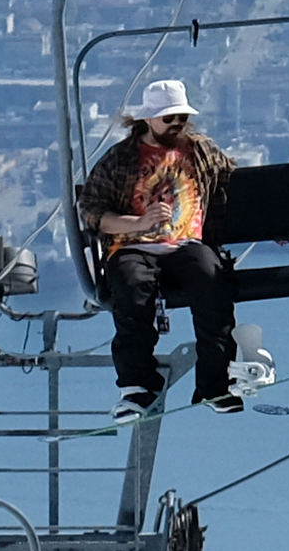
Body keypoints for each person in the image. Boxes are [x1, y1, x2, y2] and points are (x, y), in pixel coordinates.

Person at [69, 76, 247, 409]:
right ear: (148, 119)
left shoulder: (200, 150)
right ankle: (137, 386)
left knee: (213, 286)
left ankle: (215, 384)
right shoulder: (120, 159)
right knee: (132, 290)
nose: (177, 124)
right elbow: (92, 211)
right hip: (133, 245)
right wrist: (136, 223)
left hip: (186, 244)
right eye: (169, 118)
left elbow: (232, 179)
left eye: (182, 118)